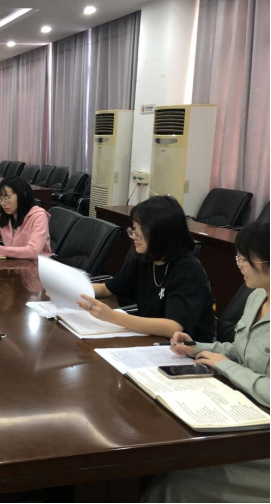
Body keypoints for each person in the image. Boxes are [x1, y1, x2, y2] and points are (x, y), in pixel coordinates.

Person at [142, 219, 269, 502]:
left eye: (245, 258)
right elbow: (241, 350)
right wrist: (195, 347)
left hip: (263, 445)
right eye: (238, 256)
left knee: (178, 482)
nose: (239, 264)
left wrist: (223, 364)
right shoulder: (256, 297)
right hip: (244, 414)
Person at [77, 196, 216, 341]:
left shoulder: (189, 270)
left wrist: (112, 316)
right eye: (133, 229)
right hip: (152, 338)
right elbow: (106, 288)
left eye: (139, 231)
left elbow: (173, 327)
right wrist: (71, 289)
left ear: (160, 233)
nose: (133, 236)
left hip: (188, 348)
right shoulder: (144, 259)